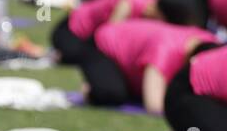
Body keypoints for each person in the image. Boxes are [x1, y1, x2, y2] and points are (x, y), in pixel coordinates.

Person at [79, 18, 215, 114]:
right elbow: (154, 106)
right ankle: (91, 88)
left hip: (131, 49)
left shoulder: (211, 41)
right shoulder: (165, 52)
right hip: (101, 44)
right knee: (111, 94)